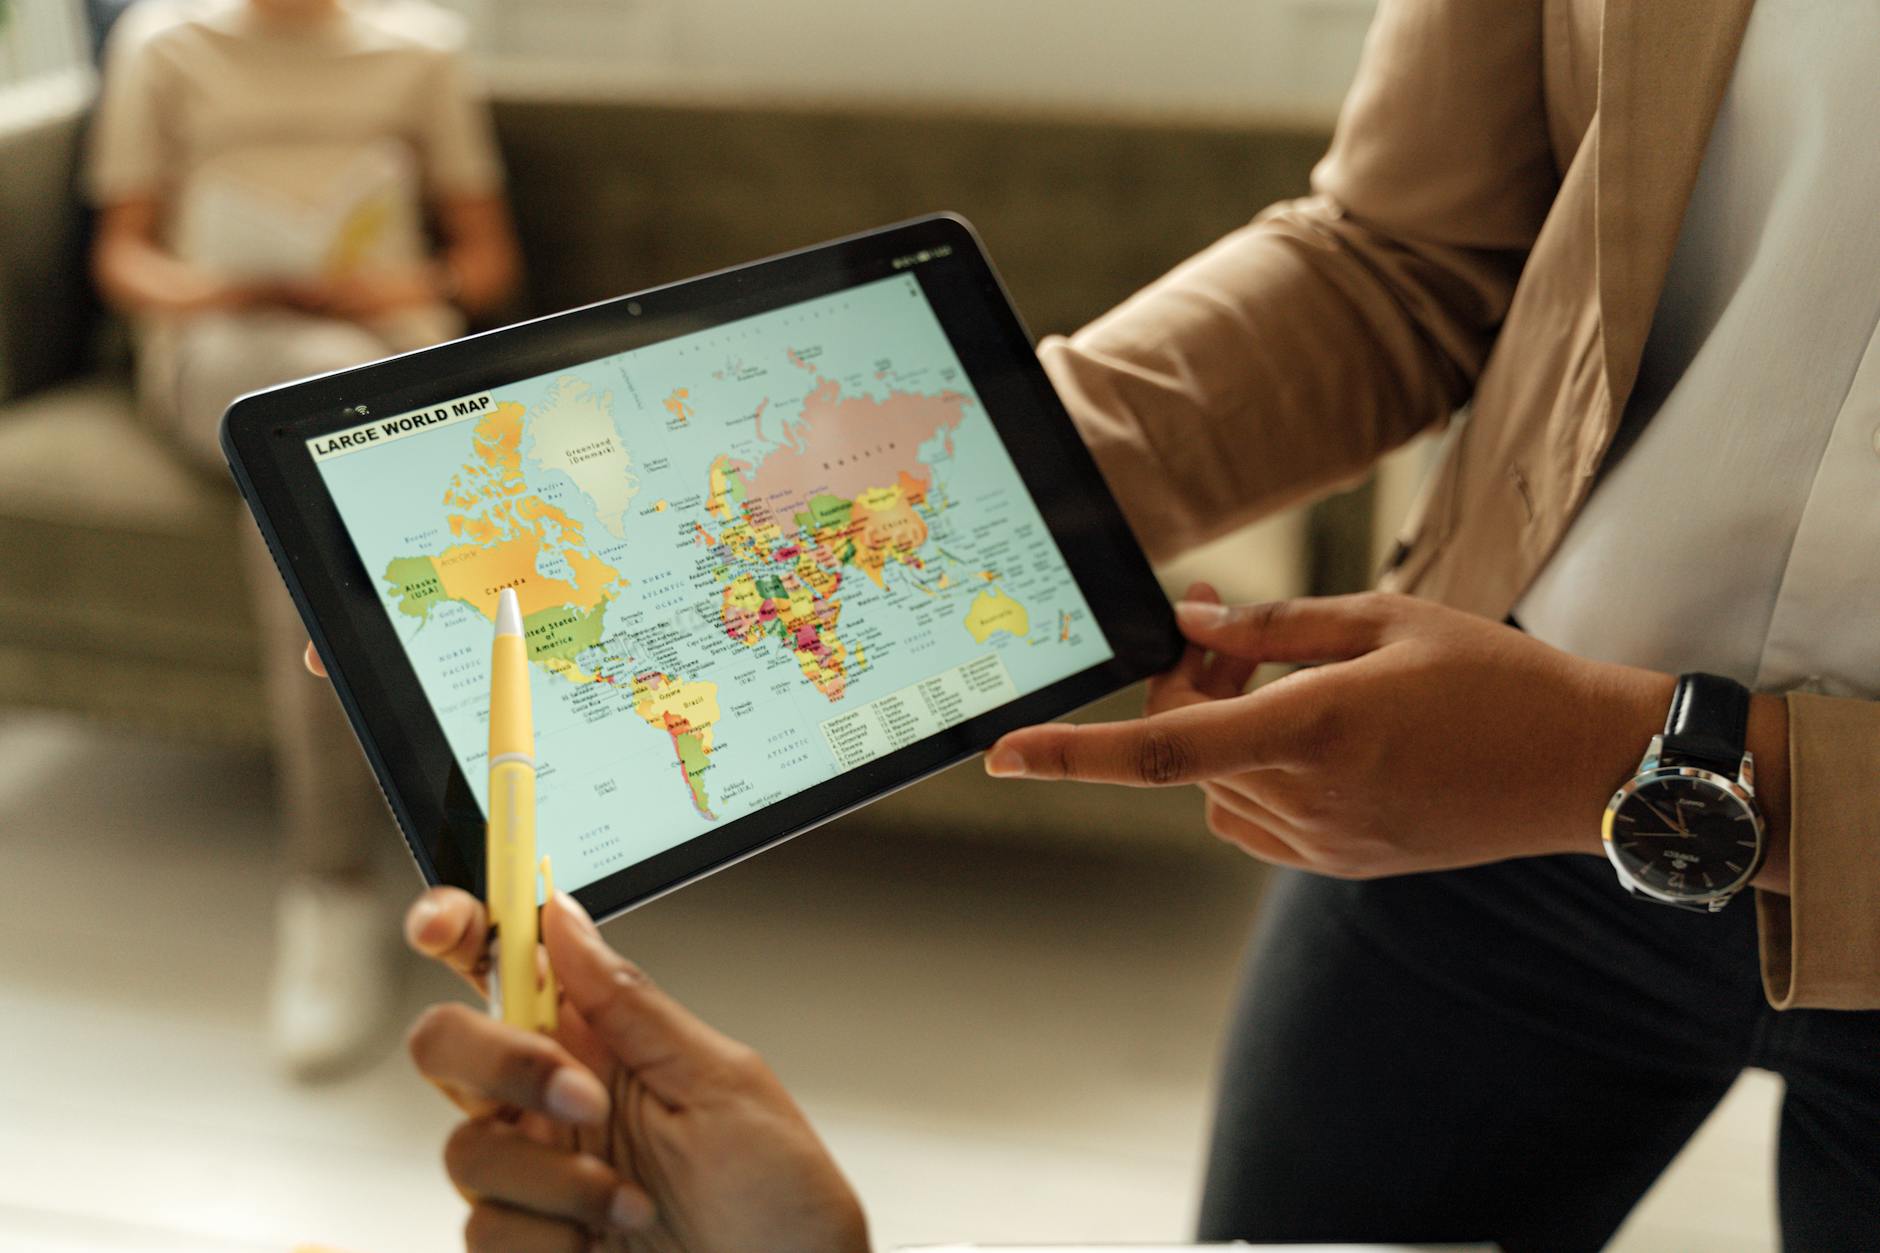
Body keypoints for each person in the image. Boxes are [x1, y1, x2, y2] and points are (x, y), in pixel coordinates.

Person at [381, 0, 1880, 1246]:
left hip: (1510, 756)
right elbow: (1403, 256)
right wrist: (858, 515)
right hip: (1474, 797)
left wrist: (1605, 762)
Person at [89, 0, 521, 1076]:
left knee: (345, 447)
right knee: (305, 447)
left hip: (382, 338)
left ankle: (477, 858)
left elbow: (484, 261)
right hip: (226, 344)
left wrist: (402, 284)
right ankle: (331, 885)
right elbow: (123, 254)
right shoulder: (163, 42)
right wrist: (221, 286)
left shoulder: (423, 49)